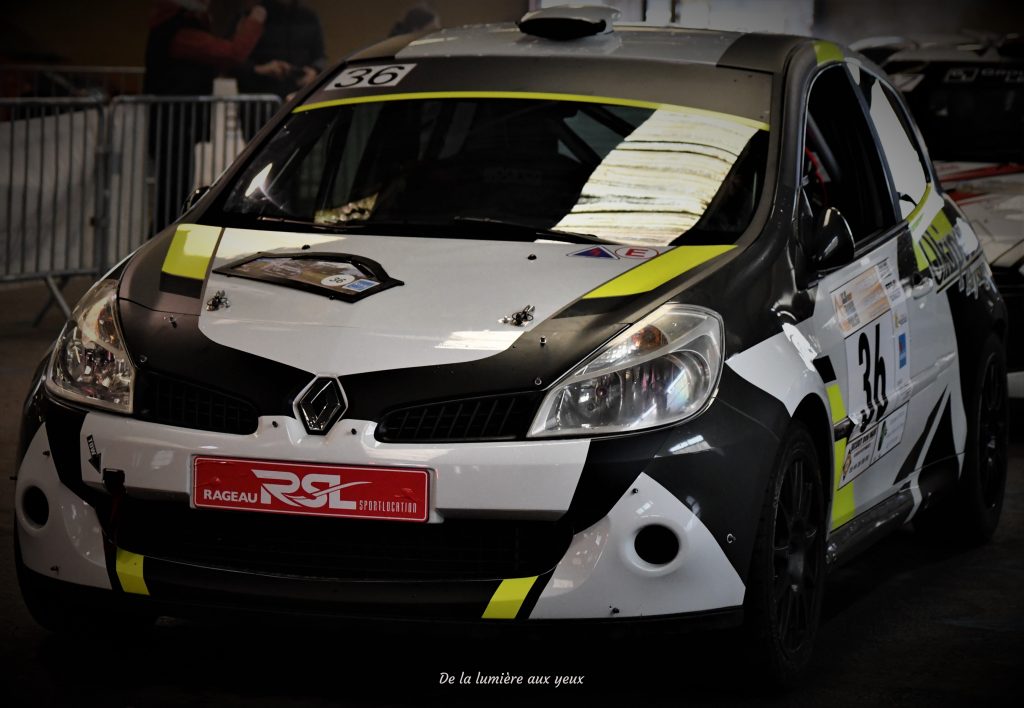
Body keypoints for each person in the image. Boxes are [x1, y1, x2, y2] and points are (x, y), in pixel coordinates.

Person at [143, 0, 268, 232]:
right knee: (171, 197)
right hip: (173, 126)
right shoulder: (179, 30)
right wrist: (255, 18)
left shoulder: (178, 25)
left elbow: (216, 61)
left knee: (174, 194)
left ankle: (163, 241)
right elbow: (232, 53)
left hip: (177, 124)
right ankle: (160, 246)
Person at [235, 0, 327, 100]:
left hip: (298, 94)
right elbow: (233, 60)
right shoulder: (254, 14)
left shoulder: (309, 16)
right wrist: (259, 69)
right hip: (261, 97)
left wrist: (314, 71)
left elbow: (320, 56)